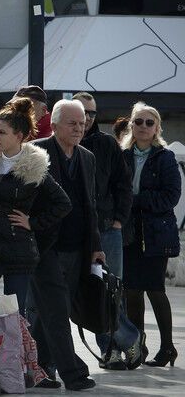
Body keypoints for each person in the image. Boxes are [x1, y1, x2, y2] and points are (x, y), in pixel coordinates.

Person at [0, 98, 71, 316]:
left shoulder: (34, 166)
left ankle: (13, 351)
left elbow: (63, 203)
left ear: (20, 136)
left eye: (2, 133)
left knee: (13, 312)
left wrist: (32, 222)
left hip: (19, 249)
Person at [30, 99, 104, 391]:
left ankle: (33, 366)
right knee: (58, 312)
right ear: (56, 124)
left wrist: (96, 245)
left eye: (83, 123)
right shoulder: (36, 151)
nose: (79, 128)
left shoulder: (87, 157)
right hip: (44, 246)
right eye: (72, 123)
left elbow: (91, 205)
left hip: (78, 249)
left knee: (48, 315)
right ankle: (73, 373)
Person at [73, 92, 139, 369]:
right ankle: (126, 339)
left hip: (107, 229)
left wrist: (119, 221)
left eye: (91, 113)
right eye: (82, 113)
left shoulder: (108, 144)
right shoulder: (61, 145)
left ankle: (111, 349)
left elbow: (124, 186)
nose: (87, 119)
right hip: (76, 233)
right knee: (90, 293)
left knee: (111, 291)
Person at [121, 102, 181, 368]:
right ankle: (138, 346)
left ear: (157, 127)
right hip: (129, 232)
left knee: (155, 290)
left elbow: (171, 197)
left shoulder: (165, 157)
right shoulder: (122, 155)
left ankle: (167, 347)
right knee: (132, 292)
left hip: (156, 234)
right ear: (131, 125)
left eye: (149, 122)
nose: (143, 127)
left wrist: (135, 200)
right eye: (138, 122)